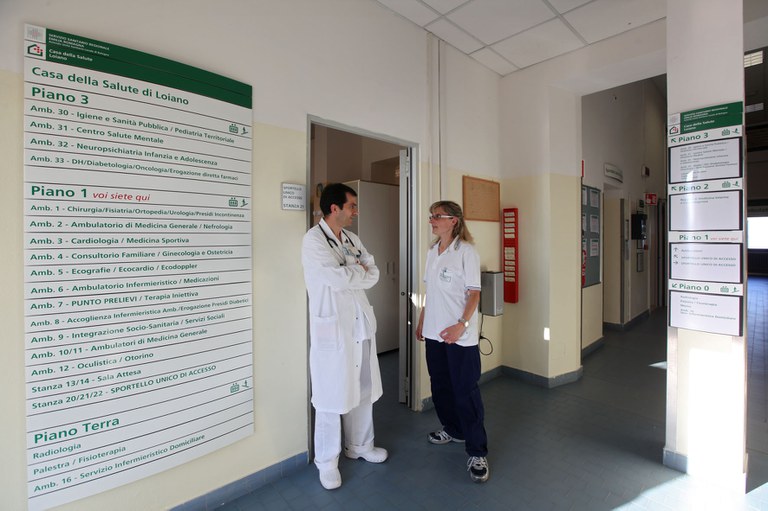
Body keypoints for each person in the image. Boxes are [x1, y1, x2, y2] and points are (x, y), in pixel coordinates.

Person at [301, 182, 388, 490]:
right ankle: (327, 462)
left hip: (360, 325)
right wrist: (357, 271)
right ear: (334, 208)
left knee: (363, 387)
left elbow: (373, 272)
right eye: (352, 206)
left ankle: (360, 445)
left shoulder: (351, 238)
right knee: (330, 395)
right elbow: (333, 279)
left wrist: (354, 271)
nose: (356, 211)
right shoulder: (313, 241)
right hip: (333, 330)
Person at [415, 200, 489, 483]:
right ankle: (453, 429)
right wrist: (422, 320)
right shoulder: (433, 251)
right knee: (441, 386)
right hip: (434, 333)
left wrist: (462, 325)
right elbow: (430, 291)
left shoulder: (466, 252)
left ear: (453, 221)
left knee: (465, 391)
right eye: (431, 215)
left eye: (437, 216)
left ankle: (477, 450)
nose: (431, 220)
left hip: (460, 337)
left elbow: (474, 294)